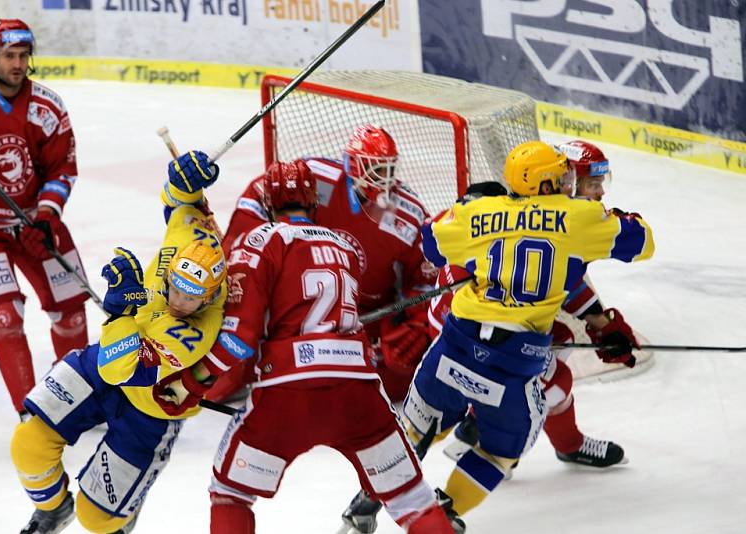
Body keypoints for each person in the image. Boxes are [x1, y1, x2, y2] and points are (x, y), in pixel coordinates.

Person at [173, 159, 453, 534]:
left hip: (287, 393)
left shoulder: (257, 241)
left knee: (230, 493)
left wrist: (189, 382)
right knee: (413, 501)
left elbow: (238, 339)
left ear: (269, 204)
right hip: (359, 389)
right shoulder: (344, 248)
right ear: (315, 203)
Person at [400, 140, 654, 524]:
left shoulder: (485, 210)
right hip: (491, 341)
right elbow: (641, 241)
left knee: (422, 422)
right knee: (542, 393)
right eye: (578, 179)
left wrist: (600, 323)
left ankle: (387, 474)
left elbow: (566, 278)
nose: (591, 189)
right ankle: (469, 446)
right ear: (552, 183)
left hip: (461, 337)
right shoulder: (575, 218)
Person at [9, 151, 229, 533]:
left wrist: (122, 311)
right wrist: (185, 182)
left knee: (98, 520)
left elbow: (122, 369)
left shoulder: (194, 331)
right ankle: (54, 510)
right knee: (28, 444)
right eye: (174, 287)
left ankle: (120, 513)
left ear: (208, 299)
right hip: (101, 364)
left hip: (151, 408)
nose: (177, 301)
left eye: (190, 298)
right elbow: (178, 202)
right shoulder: (189, 241)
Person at [440, 141, 641, 469]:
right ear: (567, 181)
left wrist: (601, 323)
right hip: (465, 327)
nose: (601, 192)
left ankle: (558, 442)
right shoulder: (543, 220)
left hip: (480, 323)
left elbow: (565, 280)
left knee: (558, 338)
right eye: (592, 183)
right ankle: (485, 437)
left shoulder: (540, 214)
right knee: (554, 378)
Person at [212, 124, 436, 404]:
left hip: (364, 315)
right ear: (353, 166)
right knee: (235, 347)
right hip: (291, 302)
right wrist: (247, 243)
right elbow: (257, 196)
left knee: (400, 369)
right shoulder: (318, 177)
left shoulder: (408, 213)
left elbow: (426, 278)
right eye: (377, 169)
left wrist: (417, 322)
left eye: (390, 168)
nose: (386, 178)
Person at [0, 19, 88, 419]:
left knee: (72, 313)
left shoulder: (47, 107)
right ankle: (33, 415)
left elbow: (63, 168)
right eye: (10, 55)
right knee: (5, 318)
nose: (18, 63)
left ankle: (77, 401)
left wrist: (46, 217)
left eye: (24, 55)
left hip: (33, 223)